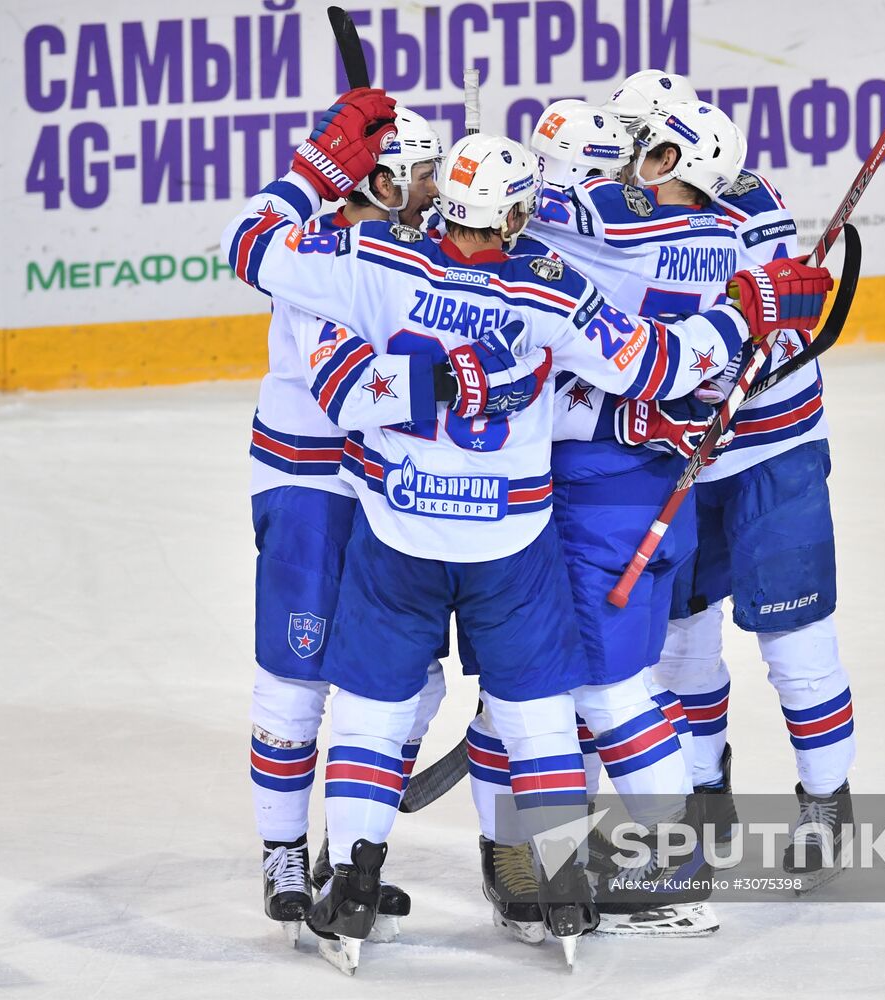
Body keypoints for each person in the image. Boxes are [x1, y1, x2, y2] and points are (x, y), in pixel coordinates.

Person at [221, 86, 833, 971]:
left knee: (377, 704)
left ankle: (356, 873)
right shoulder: (553, 280)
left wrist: (310, 176)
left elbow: (278, 288)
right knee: (543, 705)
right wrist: (745, 310)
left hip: (398, 527)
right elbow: (656, 365)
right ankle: (561, 876)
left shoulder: (369, 257)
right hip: (515, 539)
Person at [245, 106, 546, 947]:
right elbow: (349, 389)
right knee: (297, 673)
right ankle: (283, 854)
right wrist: (463, 384)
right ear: (381, 182)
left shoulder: (416, 255)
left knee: (416, 683)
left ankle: (356, 853)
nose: (438, 187)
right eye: (422, 174)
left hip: (399, 494)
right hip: (313, 482)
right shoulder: (329, 258)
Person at [467, 96, 751, 941]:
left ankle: (667, 867)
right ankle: (527, 858)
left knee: (594, 684)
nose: (631, 168)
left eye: (646, 153)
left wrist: (471, 191)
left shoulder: (607, 232)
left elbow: (571, 226)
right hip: (638, 486)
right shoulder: (714, 234)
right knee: (545, 684)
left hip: (595, 492)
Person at [604, 70, 856, 890]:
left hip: (772, 452)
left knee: (794, 636)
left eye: (636, 143)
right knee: (679, 641)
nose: (623, 158)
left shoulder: (747, 204)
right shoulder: (621, 212)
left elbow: (787, 320)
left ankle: (825, 801)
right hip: (677, 452)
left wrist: (736, 362)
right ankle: (704, 797)